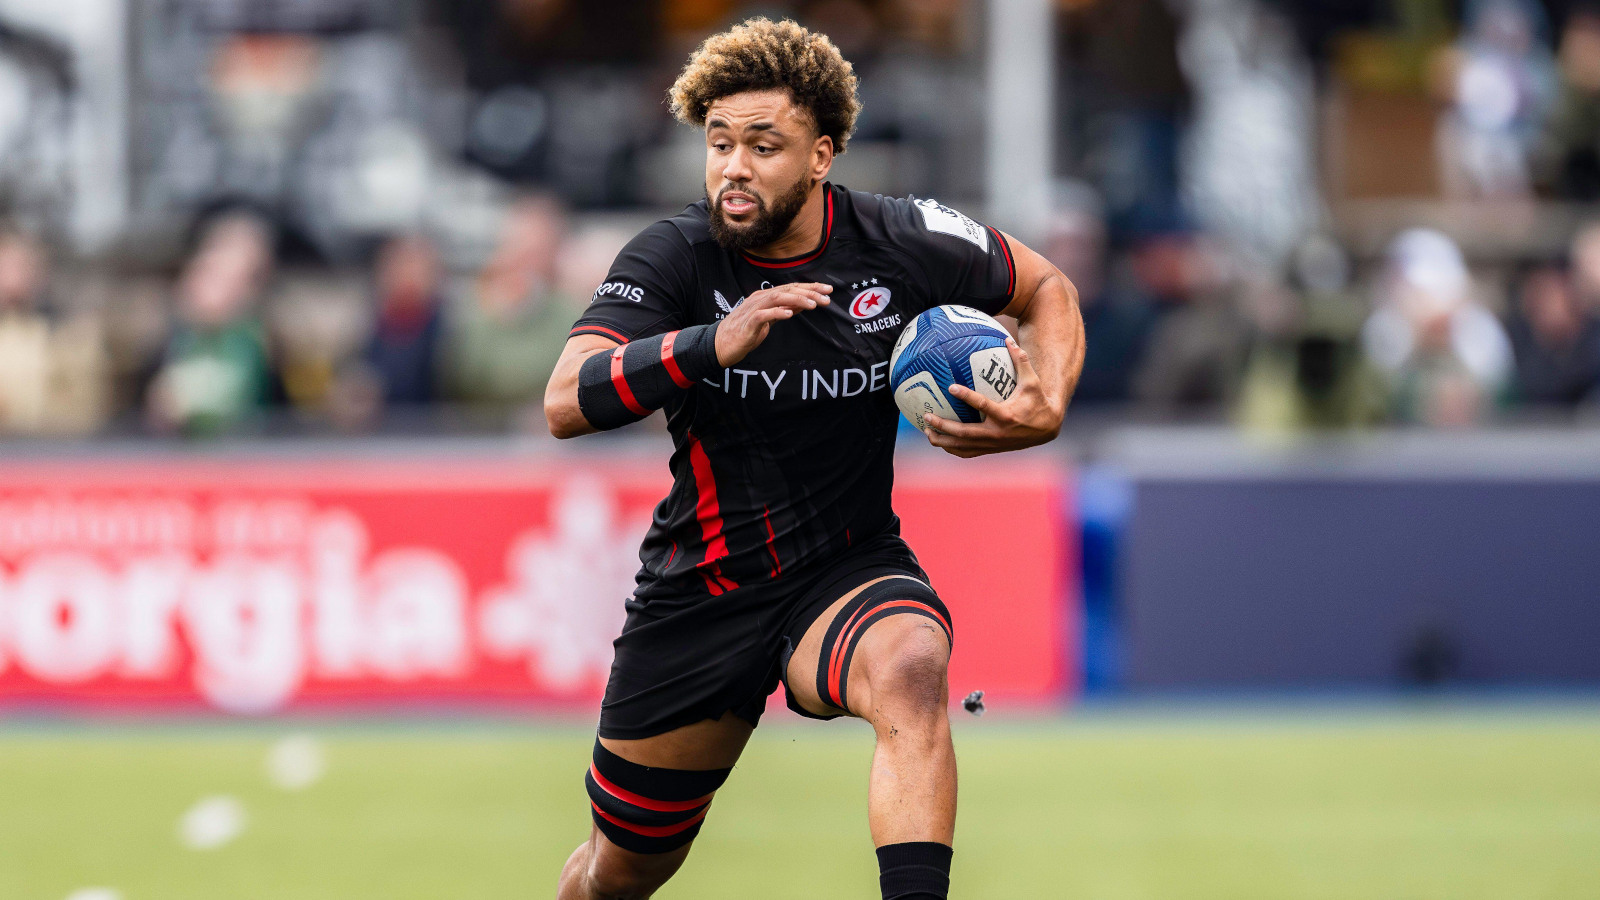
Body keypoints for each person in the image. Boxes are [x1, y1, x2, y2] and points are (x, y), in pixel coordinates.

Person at [543, 19, 1084, 900]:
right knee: (619, 873)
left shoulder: (904, 239)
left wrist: (1047, 400)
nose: (733, 167)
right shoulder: (675, 256)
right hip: (700, 594)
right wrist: (712, 342)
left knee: (912, 671)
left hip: (845, 567)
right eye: (719, 143)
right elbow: (566, 400)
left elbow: (1047, 288)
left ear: (821, 153)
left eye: (764, 144)